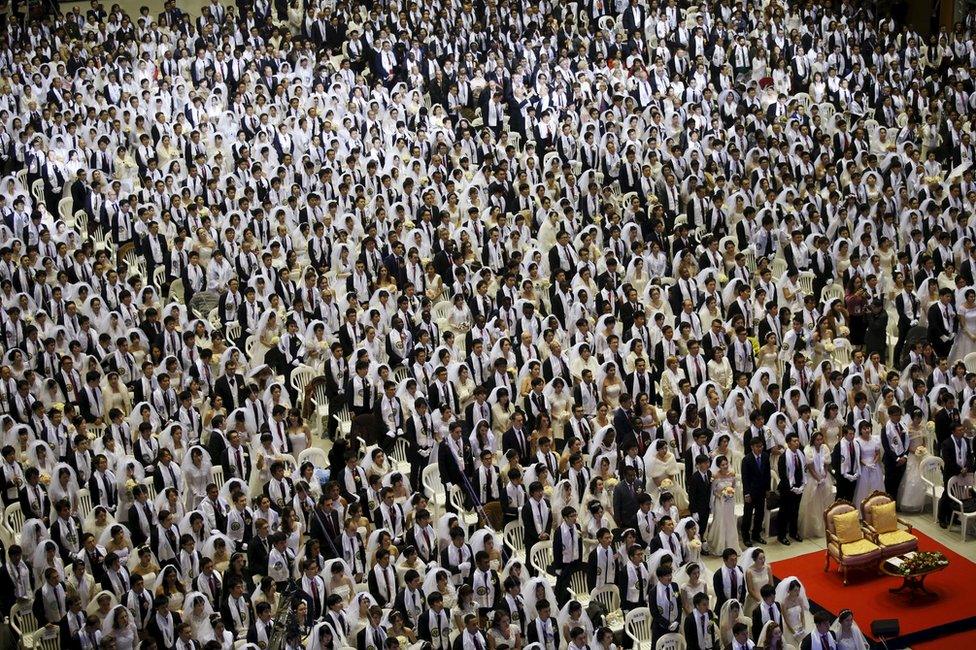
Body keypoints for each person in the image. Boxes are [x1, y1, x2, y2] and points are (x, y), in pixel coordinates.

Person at [741, 438, 770, 546]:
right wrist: (747, 493)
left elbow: (767, 474)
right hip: (751, 492)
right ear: (752, 447)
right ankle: (746, 537)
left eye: (761, 446)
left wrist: (767, 489)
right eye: (758, 446)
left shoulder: (765, 457)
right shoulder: (747, 459)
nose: (760, 448)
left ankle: (756, 534)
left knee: (760, 514)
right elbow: (745, 478)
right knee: (748, 515)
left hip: (761, 491)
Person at [777, 434, 805, 545]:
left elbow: (803, 470)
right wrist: (791, 488)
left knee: (795, 512)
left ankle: (793, 532)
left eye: (798, 440)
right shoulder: (783, 457)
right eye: (794, 441)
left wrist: (801, 486)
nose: (797, 443)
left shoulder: (800, 455)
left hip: (799, 488)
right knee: (784, 512)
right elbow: (783, 475)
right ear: (788, 443)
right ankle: (781, 535)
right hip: (787, 489)